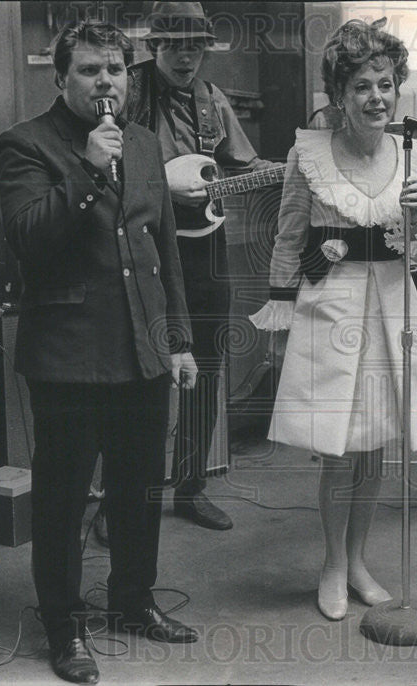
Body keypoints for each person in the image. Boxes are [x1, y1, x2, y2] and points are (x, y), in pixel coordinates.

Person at [0, 20, 199, 684]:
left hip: (141, 349)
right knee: (63, 500)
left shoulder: (142, 144)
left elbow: (163, 252)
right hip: (68, 357)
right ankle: (64, 626)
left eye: (114, 68)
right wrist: (86, 165)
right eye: (89, 70)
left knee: (140, 491)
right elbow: (27, 239)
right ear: (60, 78)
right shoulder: (25, 145)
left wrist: (179, 340)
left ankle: (133, 601)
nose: (105, 81)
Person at [250, 18, 417, 621]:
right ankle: (333, 564)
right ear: (338, 95)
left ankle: (360, 561)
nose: (377, 98)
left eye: (386, 85)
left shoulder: (414, 156)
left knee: (376, 450)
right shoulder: (307, 156)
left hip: (394, 313)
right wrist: (280, 324)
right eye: (362, 86)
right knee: (340, 452)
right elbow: (288, 240)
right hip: (331, 313)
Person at [125, 1, 272, 531]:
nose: (187, 56)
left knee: (205, 369)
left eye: (196, 45)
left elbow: (243, 164)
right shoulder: (127, 91)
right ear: (154, 45)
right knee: (137, 372)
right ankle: (127, 498)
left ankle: (190, 486)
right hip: (138, 247)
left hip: (203, 248)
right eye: (175, 44)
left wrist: (290, 170)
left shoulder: (213, 100)